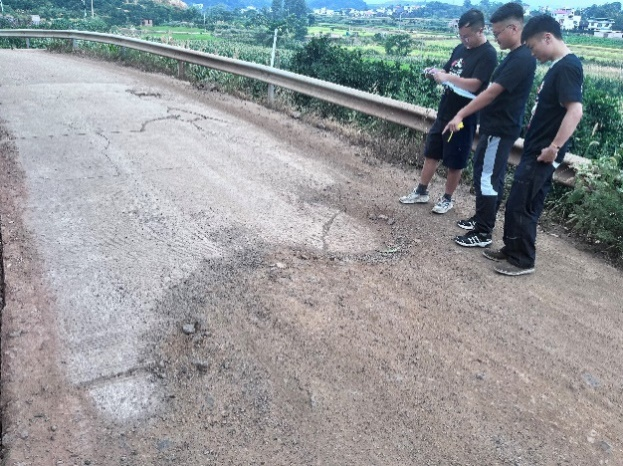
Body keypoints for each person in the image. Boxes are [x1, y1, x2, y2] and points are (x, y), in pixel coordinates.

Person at [483, 14, 584, 276]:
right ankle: (512, 249)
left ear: (547, 38)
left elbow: (575, 111)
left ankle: (522, 260)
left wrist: (554, 147)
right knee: (520, 202)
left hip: (543, 153)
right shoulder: (559, 66)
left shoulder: (568, 67)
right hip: (536, 149)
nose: (532, 52)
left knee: (523, 205)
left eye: (532, 46)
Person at [443, 2, 536, 248]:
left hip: (499, 129)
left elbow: (491, 93)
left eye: (497, 33)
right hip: (494, 127)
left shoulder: (521, 59)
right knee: (487, 175)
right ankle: (481, 219)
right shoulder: (515, 56)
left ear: (513, 28)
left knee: (487, 178)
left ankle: (483, 232)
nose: (495, 38)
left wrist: (461, 114)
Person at [399, 9, 497, 214]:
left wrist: (448, 78)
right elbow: (447, 70)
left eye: (467, 36)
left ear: (481, 30)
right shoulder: (460, 49)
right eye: (461, 36)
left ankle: (447, 199)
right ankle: (421, 191)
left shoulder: (488, 54)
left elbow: (475, 84)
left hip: (464, 117)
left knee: (455, 159)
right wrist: (436, 73)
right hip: (445, 111)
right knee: (432, 152)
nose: (464, 40)